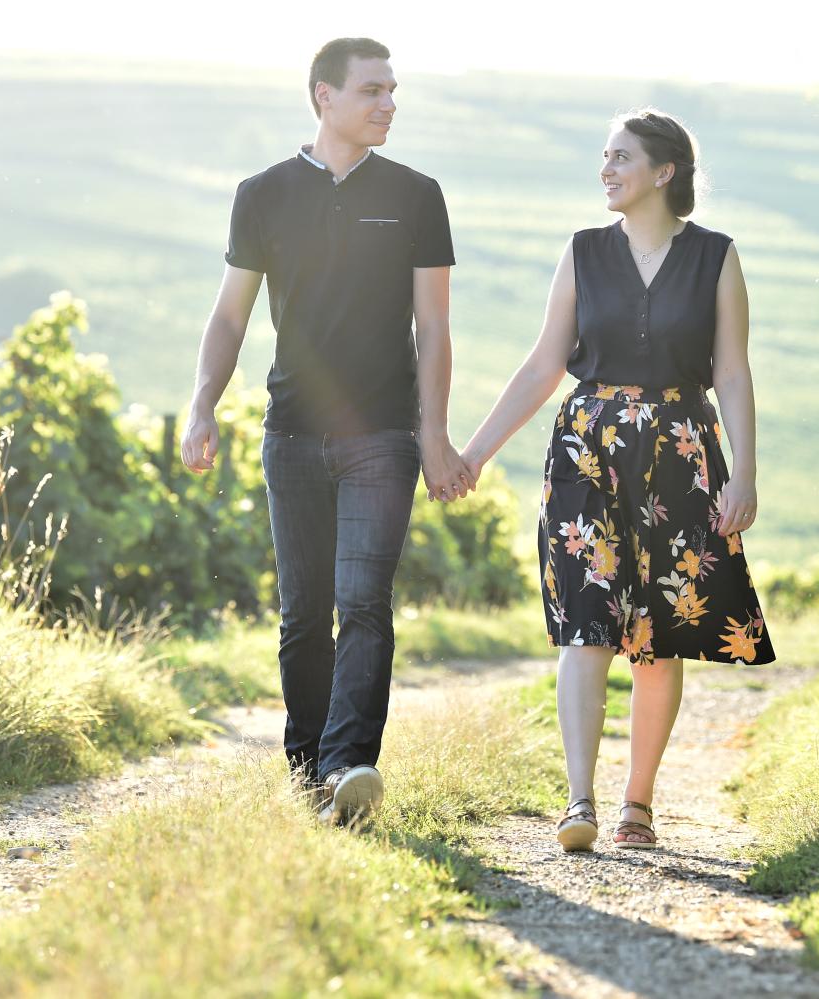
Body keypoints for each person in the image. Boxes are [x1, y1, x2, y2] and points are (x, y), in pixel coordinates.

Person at [462, 109, 776, 851]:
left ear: (664, 172)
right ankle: (579, 801)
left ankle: (638, 803)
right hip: (586, 454)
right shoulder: (581, 252)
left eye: (620, 158)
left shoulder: (715, 258)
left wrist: (747, 472)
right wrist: (473, 452)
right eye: (603, 157)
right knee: (586, 622)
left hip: (680, 454)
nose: (605, 170)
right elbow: (544, 365)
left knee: (658, 637)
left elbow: (731, 370)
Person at [181, 37, 474, 826]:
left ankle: (349, 765)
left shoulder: (417, 195)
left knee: (364, 601)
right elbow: (230, 313)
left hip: (383, 434)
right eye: (372, 89)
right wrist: (203, 401)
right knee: (305, 613)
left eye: (393, 90)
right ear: (324, 96)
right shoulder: (264, 194)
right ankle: (307, 772)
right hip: (291, 434)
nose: (389, 103)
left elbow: (435, 329)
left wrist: (435, 433)